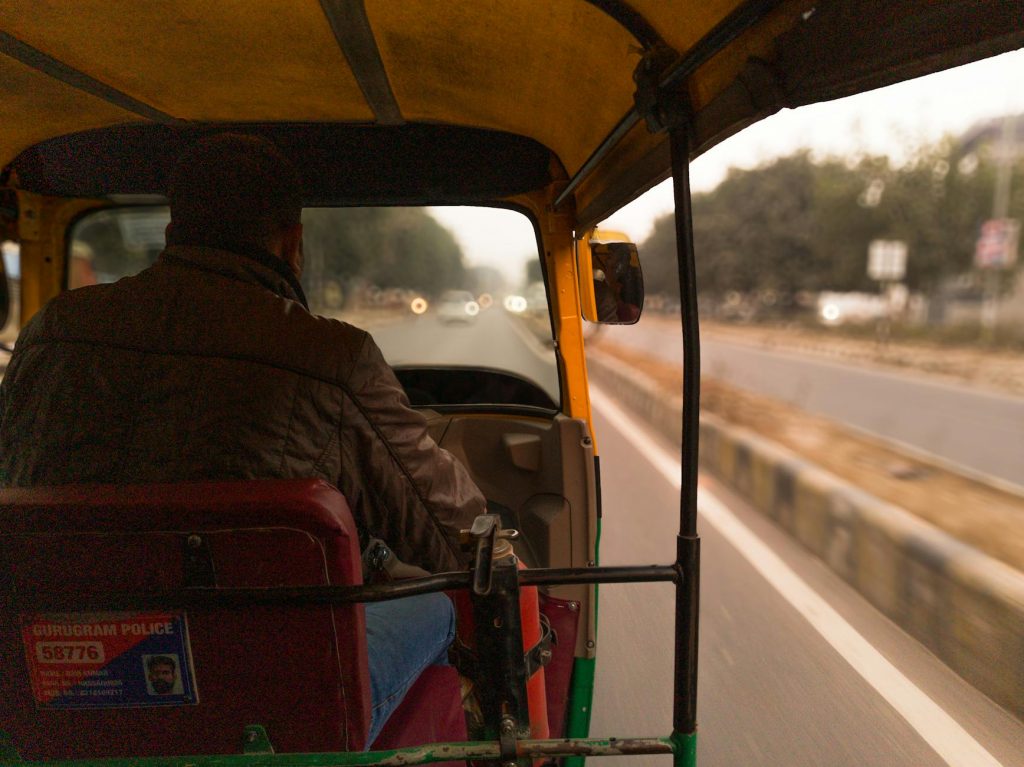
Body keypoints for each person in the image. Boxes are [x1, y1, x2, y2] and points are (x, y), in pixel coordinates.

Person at [0, 133, 486, 745]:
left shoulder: (51, 334)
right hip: (261, 703)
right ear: (293, 241)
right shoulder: (331, 359)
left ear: (176, 228)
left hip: (63, 679)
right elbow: (451, 539)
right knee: (438, 607)